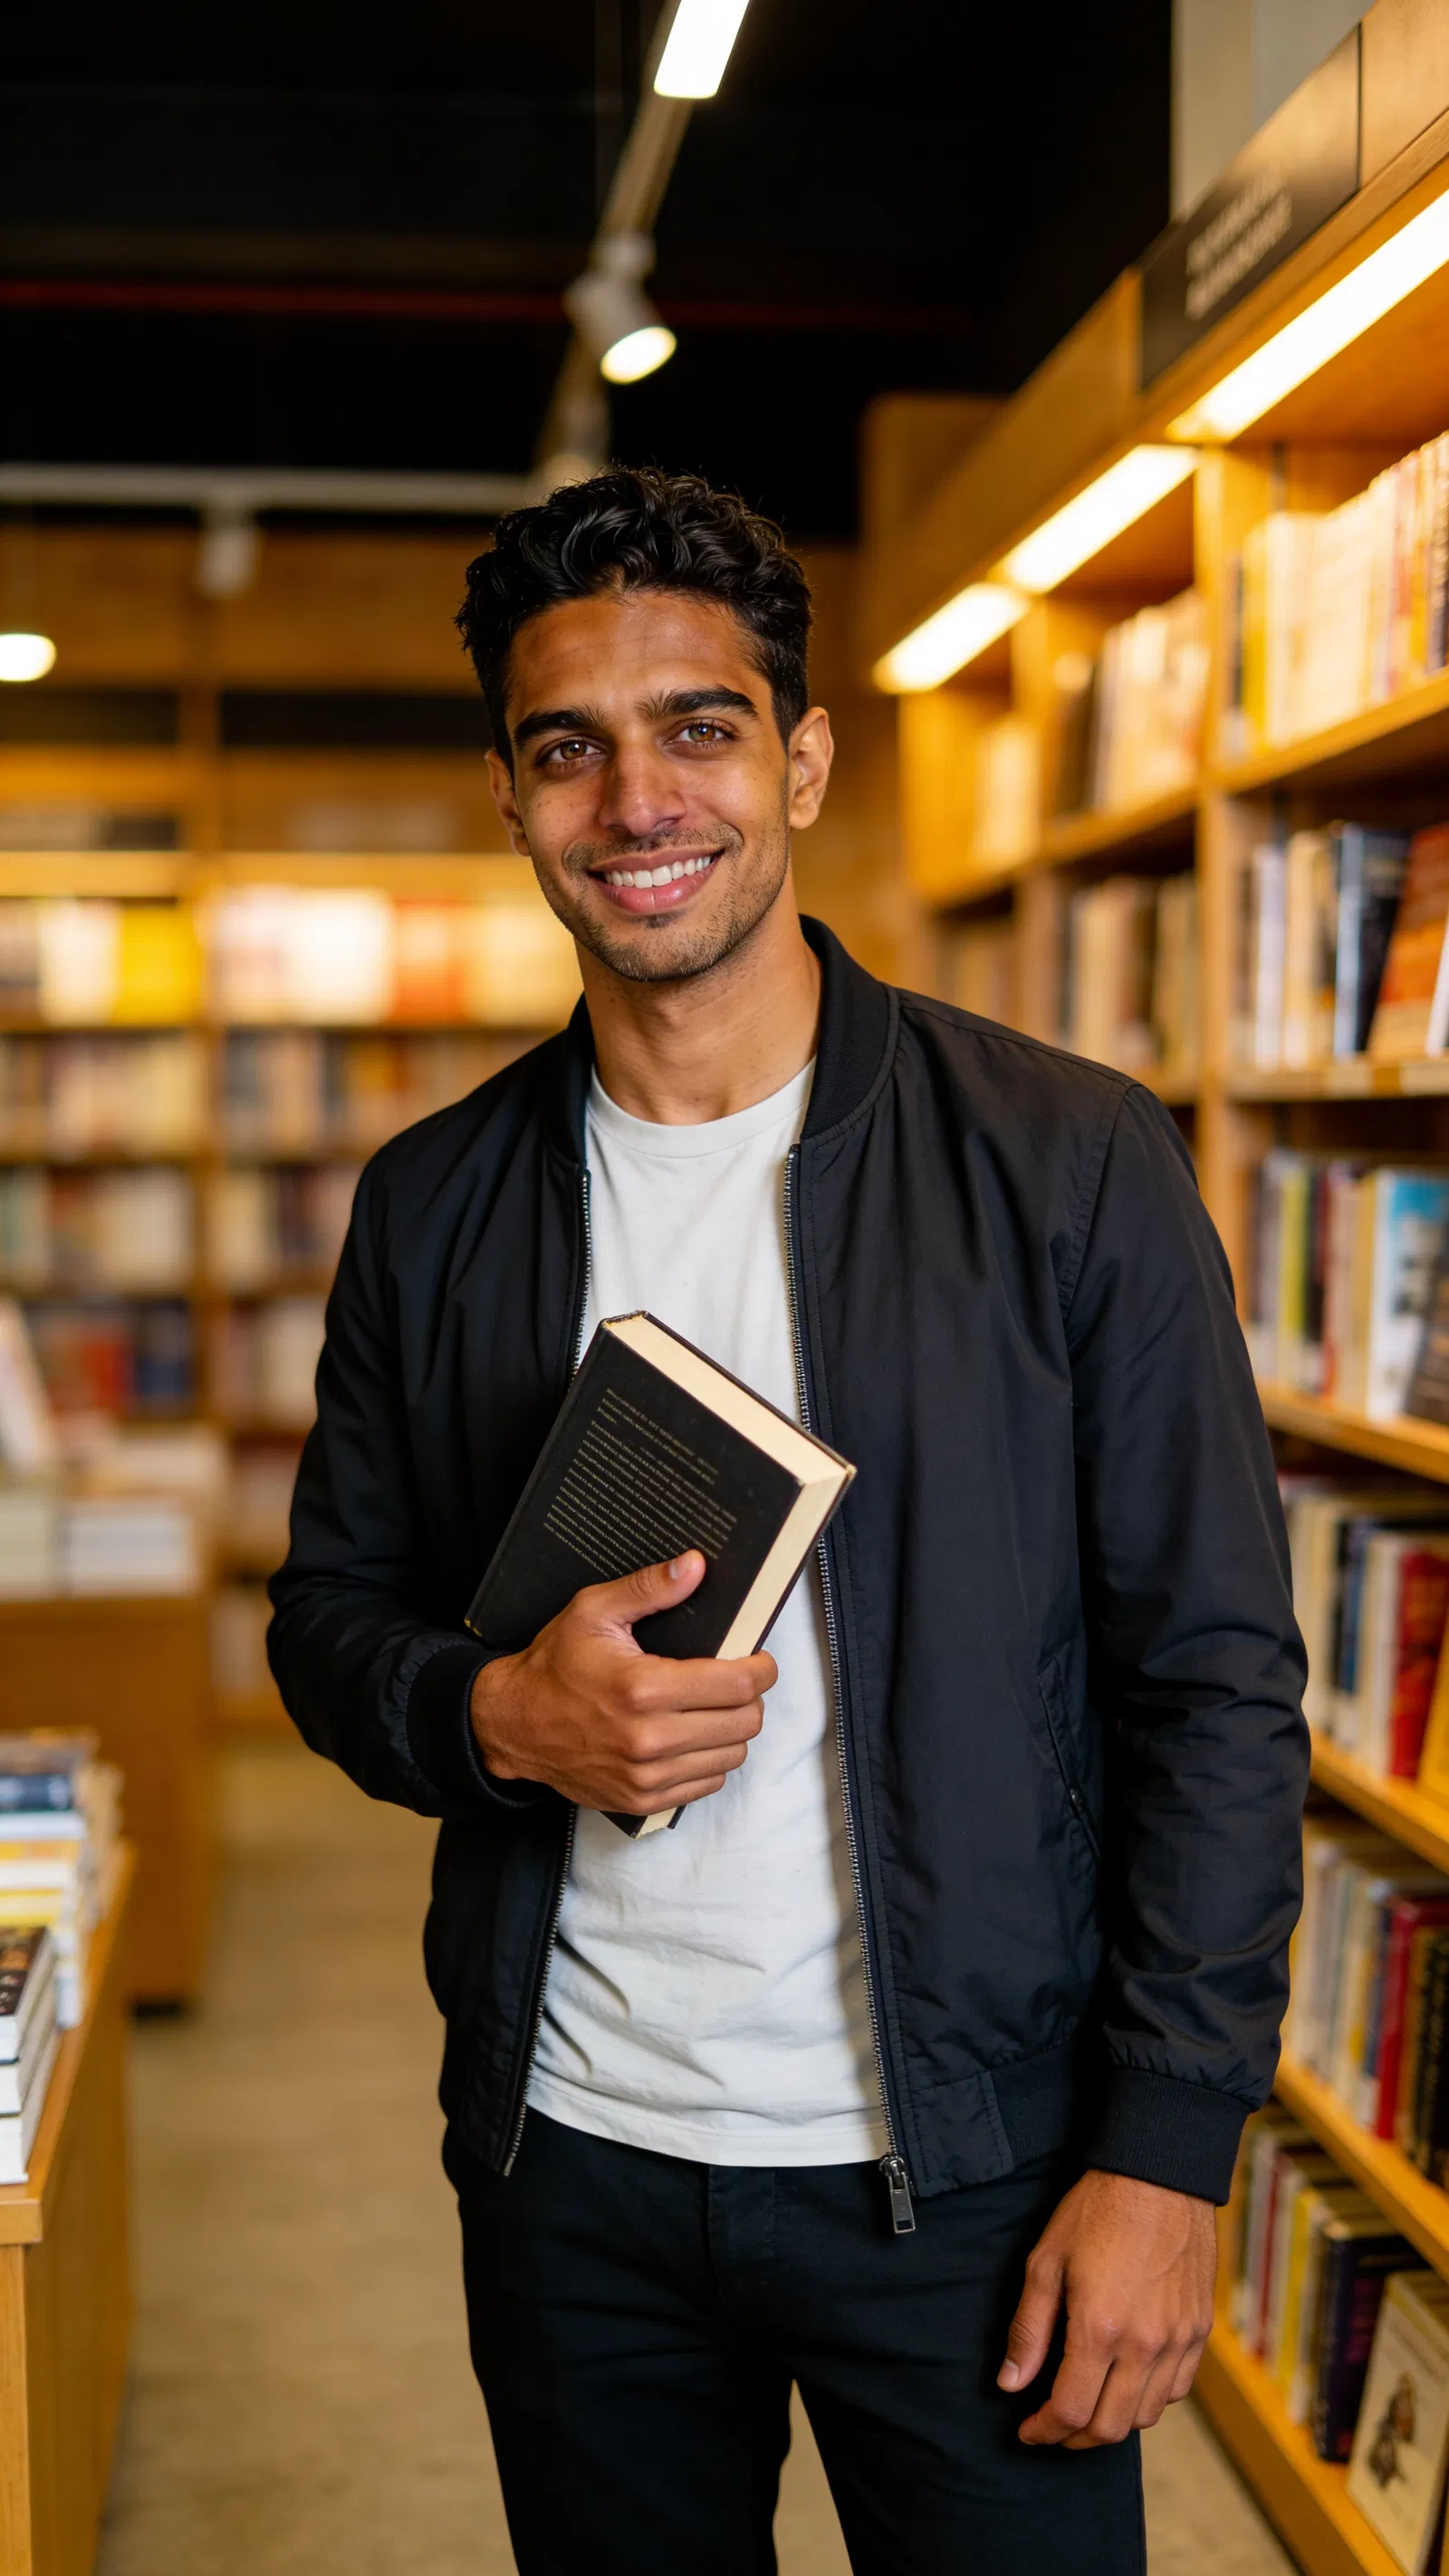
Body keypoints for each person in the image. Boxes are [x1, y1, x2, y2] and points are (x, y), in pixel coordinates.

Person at [268, 466, 1309, 2576]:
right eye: (567, 745)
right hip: (573, 2167)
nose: (633, 796)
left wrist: (1165, 2159)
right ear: (507, 794)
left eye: (697, 726)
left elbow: (1210, 1677)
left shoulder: (1067, 1168)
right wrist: (494, 1723)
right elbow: (330, 1621)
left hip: (974, 2174)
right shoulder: (436, 1205)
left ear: (803, 759)